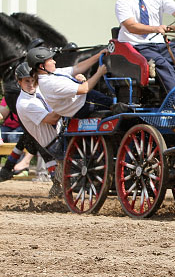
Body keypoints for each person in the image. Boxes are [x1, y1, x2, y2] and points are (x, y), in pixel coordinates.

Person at [13, 62, 64, 194]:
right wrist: (67, 102)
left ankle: (57, 184)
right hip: (55, 144)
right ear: (19, 82)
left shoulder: (39, 90)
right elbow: (52, 119)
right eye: (26, 81)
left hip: (63, 134)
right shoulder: (25, 103)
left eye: (33, 80)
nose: (31, 84)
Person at [28, 46, 116, 119]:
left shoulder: (52, 73)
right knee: (117, 107)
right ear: (41, 66)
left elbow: (77, 68)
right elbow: (84, 89)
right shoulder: (50, 83)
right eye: (50, 60)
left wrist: (98, 56)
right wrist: (99, 73)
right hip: (84, 105)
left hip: (84, 100)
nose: (54, 62)